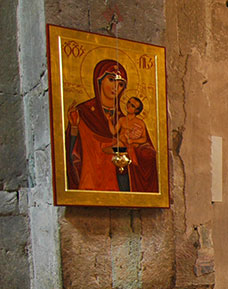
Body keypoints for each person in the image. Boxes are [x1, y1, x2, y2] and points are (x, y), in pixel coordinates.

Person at [65, 59, 158, 193]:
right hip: (91, 178)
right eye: (111, 80)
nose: (116, 87)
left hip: (121, 178)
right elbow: (73, 152)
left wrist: (140, 149)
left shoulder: (124, 118)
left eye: (120, 84)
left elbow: (146, 149)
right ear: (99, 80)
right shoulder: (84, 112)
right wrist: (74, 127)